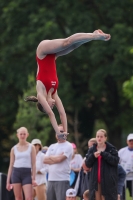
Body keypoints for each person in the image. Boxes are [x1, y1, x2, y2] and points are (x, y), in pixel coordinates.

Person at [25, 30, 111, 135]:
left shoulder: (40, 92)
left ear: (43, 102)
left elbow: (51, 114)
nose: (52, 106)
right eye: (52, 106)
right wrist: (65, 132)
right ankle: (92, 35)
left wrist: (57, 132)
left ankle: (95, 36)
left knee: (67, 42)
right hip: (52, 56)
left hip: (42, 52)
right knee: (73, 46)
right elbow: (62, 113)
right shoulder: (54, 93)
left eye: (50, 106)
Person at [84, 129, 119, 200]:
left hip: (108, 181)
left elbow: (115, 161)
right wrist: (93, 156)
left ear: (105, 138)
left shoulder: (111, 149)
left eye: (101, 137)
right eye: (98, 136)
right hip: (95, 182)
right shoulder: (92, 149)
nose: (99, 138)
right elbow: (87, 164)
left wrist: (104, 154)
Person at [44, 125, 73, 200]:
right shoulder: (51, 146)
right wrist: (56, 157)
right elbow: (44, 160)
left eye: (61, 131)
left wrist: (51, 157)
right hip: (51, 179)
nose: (59, 133)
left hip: (62, 179)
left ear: (65, 133)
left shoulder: (68, 146)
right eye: (57, 131)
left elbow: (61, 159)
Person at [6, 127, 36, 200]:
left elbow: (34, 164)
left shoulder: (31, 147)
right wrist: (8, 181)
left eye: (24, 134)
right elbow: (11, 165)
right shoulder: (14, 149)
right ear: (17, 135)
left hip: (27, 173)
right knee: (18, 197)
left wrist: (33, 178)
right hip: (16, 172)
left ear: (27, 135)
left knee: (29, 197)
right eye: (21, 134)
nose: (22, 136)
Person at [118, 133, 133, 199]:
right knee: (122, 195)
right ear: (127, 141)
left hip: (132, 177)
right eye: (130, 140)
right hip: (123, 177)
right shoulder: (121, 151)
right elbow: (117, 162)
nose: (131, 142)